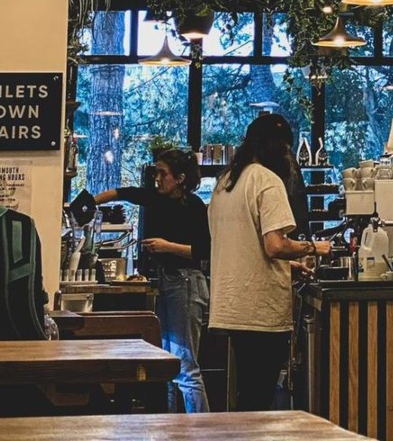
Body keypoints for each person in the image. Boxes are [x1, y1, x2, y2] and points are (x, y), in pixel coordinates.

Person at [208, 113, 331, 411]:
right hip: (260, 310)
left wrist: (290, 267)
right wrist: (314, 248)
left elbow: (243, 245)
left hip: (232, 304)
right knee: (259, 401)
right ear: (278, 147)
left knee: (246, 398)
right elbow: (275, 245)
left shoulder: (225, 183)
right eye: (287, 149)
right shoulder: (267, 180)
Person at [94, 148, 210, 413]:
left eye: (163, 173)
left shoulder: (194, 206)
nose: (157, 178)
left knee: (186, 366)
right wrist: (88, 202)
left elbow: (203, 250)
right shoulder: (157, 199)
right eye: (156, 172)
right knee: (169, 364)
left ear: (180, 178)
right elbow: (124, 193)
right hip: (169, 283)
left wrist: (166, 246)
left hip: (187, 282)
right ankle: (173, 429)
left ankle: (204, 430)